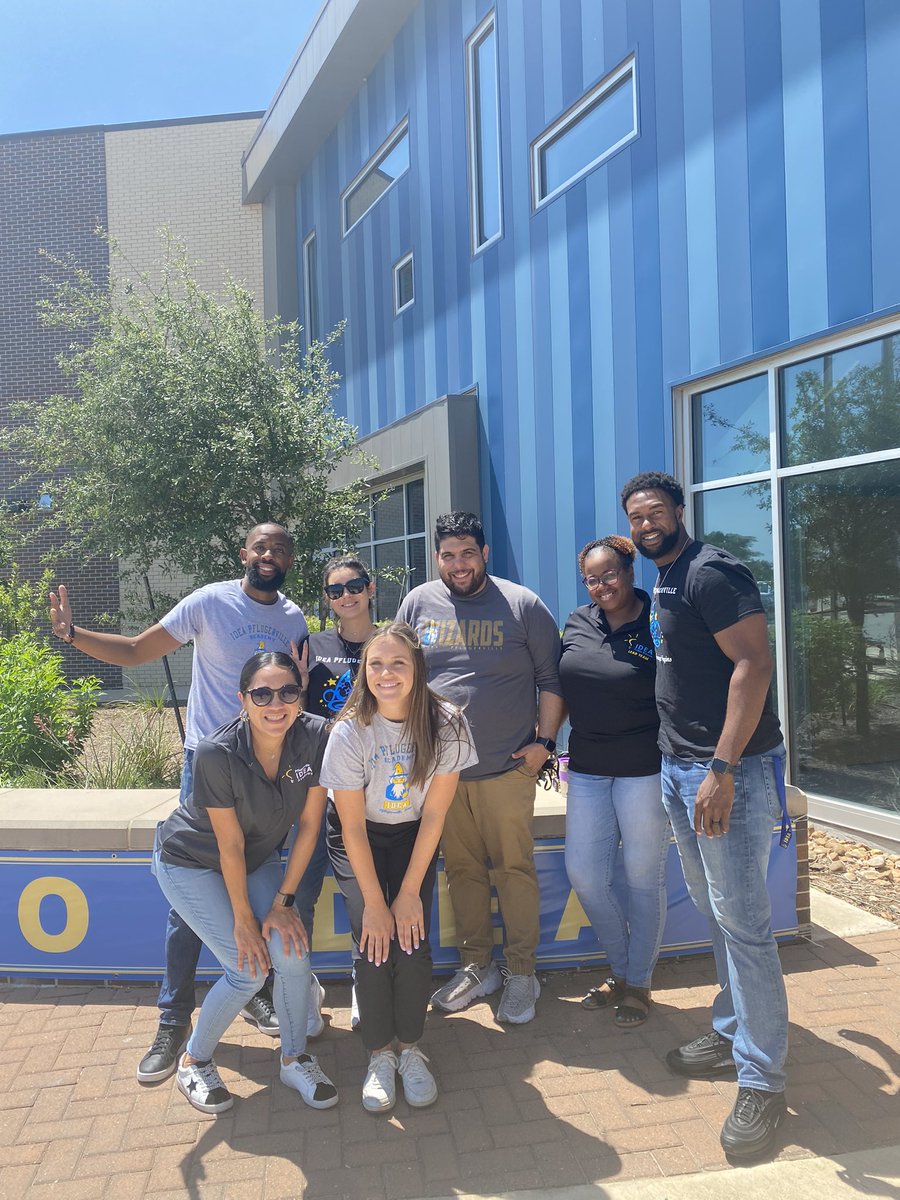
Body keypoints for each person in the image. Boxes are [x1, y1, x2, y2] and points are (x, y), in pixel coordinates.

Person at [48, 523, 327, 1080]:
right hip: (210, 764)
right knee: (192, 900)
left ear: (290, 559)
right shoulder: (209, 601)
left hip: (268, 769)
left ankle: (249, 991)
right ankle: (173, 1023)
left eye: (281, 549)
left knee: (254, 874)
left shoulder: (294, 618)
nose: (270, 555)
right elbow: (134, 651)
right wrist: (72, 634)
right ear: (244, 553)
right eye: (261, 547)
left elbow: (296, 693)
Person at [621, 471, 789, 1160]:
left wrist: (721, 768)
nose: (645, 522)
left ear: (680, 512)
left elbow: (754, 664)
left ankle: (764, 1079)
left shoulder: (712, 572)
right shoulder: (664, 576)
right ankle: (731, 1030)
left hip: (728, 774)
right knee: (719, 912)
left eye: (655, 511)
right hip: (678, 768)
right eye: (635, 515)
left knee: (745, 926)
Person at [152, 650, 338, 1114]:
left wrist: (284, 902)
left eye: (288, 691)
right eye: (262, 693)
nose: (276, 703)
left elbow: (310, 828)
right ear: (243, 699)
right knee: (248, 968)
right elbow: (227, 846)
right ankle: (194, 1060)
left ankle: (294, 1058)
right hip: (190, 861)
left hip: (254, 860)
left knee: (291, 950)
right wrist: (244, 920)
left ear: (300, 696)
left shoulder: (316, 737)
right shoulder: (217, 752)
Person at [398, 512, 564, 1024]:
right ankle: (477, 966)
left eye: (468, 553)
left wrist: (544, 744)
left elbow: (552, 680)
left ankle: (521, 972)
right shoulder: (418, 603)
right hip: (442, 773)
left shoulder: (522, 604)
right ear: (436, 558)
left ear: (485, 553)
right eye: (448, 555)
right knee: (462, 872)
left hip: (505, 768)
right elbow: (396, 672)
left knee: (513, 871)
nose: (458, 564)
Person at [320, 623, 477, 1111]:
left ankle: (410, 1049)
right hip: (359, 837)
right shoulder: (349, 730)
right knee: (375, 939)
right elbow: (349, 827)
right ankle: (379, 1056)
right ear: (364, 671)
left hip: (413, 835)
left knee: (411, 939)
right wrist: (374, 901)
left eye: (397, 664)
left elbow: (434, 815)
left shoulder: (446, 722)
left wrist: (408, 893)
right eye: (375, 664)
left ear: (417, 669)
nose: (386, 674)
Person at [559, 535, 669, 1027]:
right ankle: (623, 969)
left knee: (644, 877)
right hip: (586, 766)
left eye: (610, 574)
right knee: (584, 873)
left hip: (644, 767)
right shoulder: (578, 621)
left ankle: (638, 982)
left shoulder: (659, 621)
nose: (601, 585)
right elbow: (559, 686)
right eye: (591, 578)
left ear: (630, 570)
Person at [303, 554, 378, 1031]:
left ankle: (364, 985)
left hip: (375, 790)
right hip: (317, 790)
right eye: (335, 589)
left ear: (370, 589)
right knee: (300, 892)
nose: (346, 594)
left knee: (363, 899)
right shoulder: (313, 646)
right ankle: (300, 988)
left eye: (354, 585)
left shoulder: (391, 643)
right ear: (327, 600)